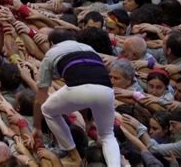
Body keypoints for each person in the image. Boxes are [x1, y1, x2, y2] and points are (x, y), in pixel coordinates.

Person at [33, 29, 120, 166]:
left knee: (47, 109)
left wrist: (37, 126)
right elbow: (91, 84)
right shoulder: (89, 48)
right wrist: (88, 119)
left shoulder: (51, 52)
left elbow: (40, 96)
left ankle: (74, 155)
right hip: (106, 90)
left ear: (51, 43)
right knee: (108, 136)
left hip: (79, 89)